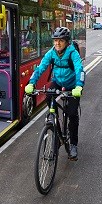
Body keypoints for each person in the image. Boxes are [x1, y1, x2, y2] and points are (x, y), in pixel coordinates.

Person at [24, 27, 85, 160]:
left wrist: (79, 87)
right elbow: (40, 68)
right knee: (48, 96)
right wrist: (31, 83)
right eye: (55, 41)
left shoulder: (72, 53)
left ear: (66, 42)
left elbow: (80, 69)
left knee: (72, 114)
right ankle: (55, 124)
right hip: (58, 81)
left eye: (61, 41)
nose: (57, 43)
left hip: (73, 85)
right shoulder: (51, 53)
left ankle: (73, 144)